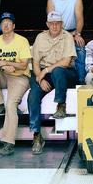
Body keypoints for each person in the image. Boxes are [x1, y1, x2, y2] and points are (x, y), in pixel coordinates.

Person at [28, 10, 76, 153]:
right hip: (44, 73)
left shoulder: (67, 36)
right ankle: (36, 135)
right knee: (33, 96)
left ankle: (61, 105)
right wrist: (40, 77)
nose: (55, 26)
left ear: (62, 24)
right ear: (47, 24)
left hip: (65, 73)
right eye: (52, 24)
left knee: (58, 70)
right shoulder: (40, 38)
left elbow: (66, 62)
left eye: (58, 24)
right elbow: (35, 63)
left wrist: (46, 70)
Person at [0, 12, 31, 156]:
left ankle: (8, 143)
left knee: (11, 104)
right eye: (3, 22)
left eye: (9, 22)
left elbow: (23, 65)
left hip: (19, 77)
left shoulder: (21, 40)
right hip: (4, 74)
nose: (6, 24)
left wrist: (6, 63)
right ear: (0, 26)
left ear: (14, 25)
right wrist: (4, 66)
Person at [46, 0, 86, 84]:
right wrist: (66, 36)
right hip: (55, 32)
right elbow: (52, 21)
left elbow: (79, 18)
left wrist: (77, 34)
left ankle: (81, 81)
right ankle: (50, 80)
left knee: (80, 48)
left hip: (73, 31)